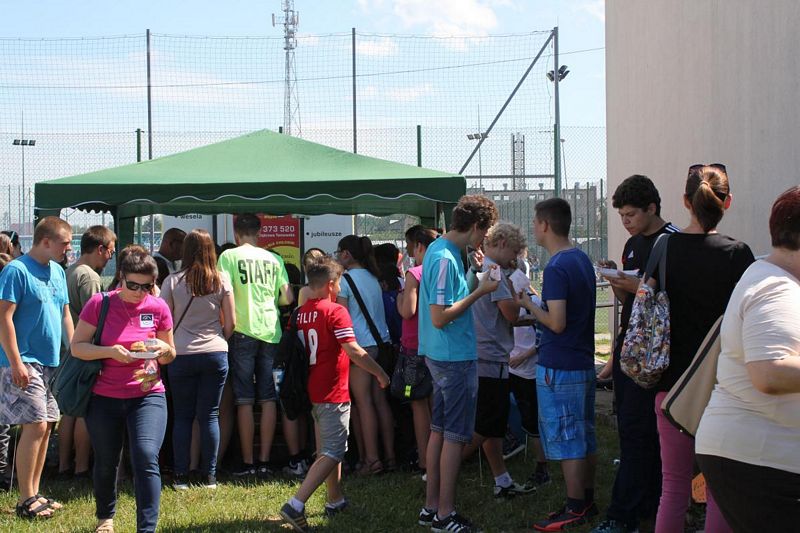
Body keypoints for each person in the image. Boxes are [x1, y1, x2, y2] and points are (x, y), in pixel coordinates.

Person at [649, 164, 753, 533]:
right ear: (728, 202)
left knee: (673, 487)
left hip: (672, 388)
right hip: (723, 390)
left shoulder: (664, 247)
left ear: (685, 201)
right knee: (719, 490)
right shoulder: (738, 254)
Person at [696, 185, 800, 531]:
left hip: (756, 456)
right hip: (763, 460)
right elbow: (769, 371)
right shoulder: (777, 288)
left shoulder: (773, 279)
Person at [592, 175, 679, 533]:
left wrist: (635, 285)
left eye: (631, 215)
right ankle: (646, 505)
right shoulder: (632, 244)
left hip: (654, 356)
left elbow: (672, 300)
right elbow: (629, 300)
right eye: (621, 216)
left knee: (643, 433)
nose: (626, 222)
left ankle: (624, 513)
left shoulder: (672, 242)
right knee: (633, 430)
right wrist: (617, 280)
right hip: (630, 348)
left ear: (652, 208)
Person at [279, 257, 390, 532]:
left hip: (310, 388)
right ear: (330, 284)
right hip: (332, 389)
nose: (340, 288)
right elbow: (353, 350)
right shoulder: (336, 311)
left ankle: (335, 499)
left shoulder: (299, 313)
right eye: (339, 283)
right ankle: (295, 504)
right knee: (334, 450)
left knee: (326, 448)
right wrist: (380, 373)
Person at [71, 246, 176, 533]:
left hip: (148, 395)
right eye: (133, 285)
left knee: (146, 456)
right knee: (107, 461)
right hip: (104, 397)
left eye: (147, 286)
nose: (140, 292)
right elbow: (77, 347)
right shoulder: (99, 303)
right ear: (121, 277)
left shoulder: (158, 307)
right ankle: (105, 517)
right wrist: (110, 351)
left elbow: (170, 355)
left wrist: (164, 349)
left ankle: (147, 528)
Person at [418, 194, 499, 533]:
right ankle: (445, 514)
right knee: (454, 436)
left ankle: (431, 508)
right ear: (476, 225)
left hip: (443, 355)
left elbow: (450, 298)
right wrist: (481, 291)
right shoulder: (444, 258)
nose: (485, 239)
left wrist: (474, 274)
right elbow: (440, 316)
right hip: (453, 358)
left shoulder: (444, 251)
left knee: (440, 430)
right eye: (486, 232)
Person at [520, 198, 597, 532]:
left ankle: (575, 506)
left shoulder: (555, 267)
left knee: (568, 438)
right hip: (582, 361)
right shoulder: (580, 258)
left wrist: (528, 305)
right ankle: (586, 499)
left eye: (535, 223)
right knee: (584, 433)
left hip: (560, 365)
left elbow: (556, 322)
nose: (533, 229)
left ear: (545, 225)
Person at [0, 217, 73, 520]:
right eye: (64, 243)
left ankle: (35, 492)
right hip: (24, 361)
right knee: (36, 425)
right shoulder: (16, 271)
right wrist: (15, 362)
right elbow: (4, 317)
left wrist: (75, 350)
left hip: (51, 362)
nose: (68, 249)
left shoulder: (58, 272)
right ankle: (25, 499)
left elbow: (65, 314)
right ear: (45, 242)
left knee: (48, 424)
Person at [462, 222, 536, 499]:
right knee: (485, 425)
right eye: (514, 252)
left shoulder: (482, 268)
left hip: (481, 354)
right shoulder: (495, 271)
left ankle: (502, 480)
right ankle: (440, 470)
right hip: (490, 357)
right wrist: (531, 307)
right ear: (502, 243)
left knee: (491, 425)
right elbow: (511, 314)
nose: (515, 259)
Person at [217, 213, 294, 477]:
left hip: (241, 330)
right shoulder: (274, 259)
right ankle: (264, 461)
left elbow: (223, 292)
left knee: (244, 399)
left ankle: (248, 463)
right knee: (269, 397)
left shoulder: (228, 257)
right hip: (271, 331)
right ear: (259, 232)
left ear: (236, 234)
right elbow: (288, 297)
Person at [160, 229, 234, 489]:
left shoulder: (172, 281)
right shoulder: (221, 280)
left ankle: (181, 475)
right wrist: (219, 338)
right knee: (210, 416)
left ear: (186, 250)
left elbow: (164, 321)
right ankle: (210, 475)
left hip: (181, 353)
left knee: (182, 416)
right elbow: (231, 322)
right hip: (215, 353)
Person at [60, 225, 117, 480]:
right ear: (100, 249)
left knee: (69, 411)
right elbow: (97, 317)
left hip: (68, 348)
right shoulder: (90, 277)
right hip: (86, 349)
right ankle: (82, 466)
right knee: (84, 409)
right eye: (110, 252)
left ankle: (63, 464)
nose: (110, 257)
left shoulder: (70, 271)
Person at [335, 235, 395, 474]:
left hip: (360, 348)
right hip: (381, 344)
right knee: (380, 401)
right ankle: (389, 457)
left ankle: (371, 459)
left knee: (363, 403)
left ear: (346, 254)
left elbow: (341, 316)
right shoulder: (373, 277)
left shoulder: (345, 280)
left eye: (338, 252)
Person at [397, 227, 438, 475]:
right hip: (435, 344)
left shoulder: (414, 273)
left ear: (419, 246)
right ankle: (437, 459)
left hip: (413, 347)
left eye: (410, 246)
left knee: (418, 404)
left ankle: (425, 460)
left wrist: (401, 296)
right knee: (434, 403)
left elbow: (407, 311)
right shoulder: (440, 268)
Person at [507, 253, 550, 489]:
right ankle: (511, 441)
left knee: (533, 419)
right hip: (511, 368)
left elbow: (543, 338)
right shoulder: (508, 302)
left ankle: (542, 465)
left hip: (529, 371)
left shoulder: (534, 302)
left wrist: (523, 356)